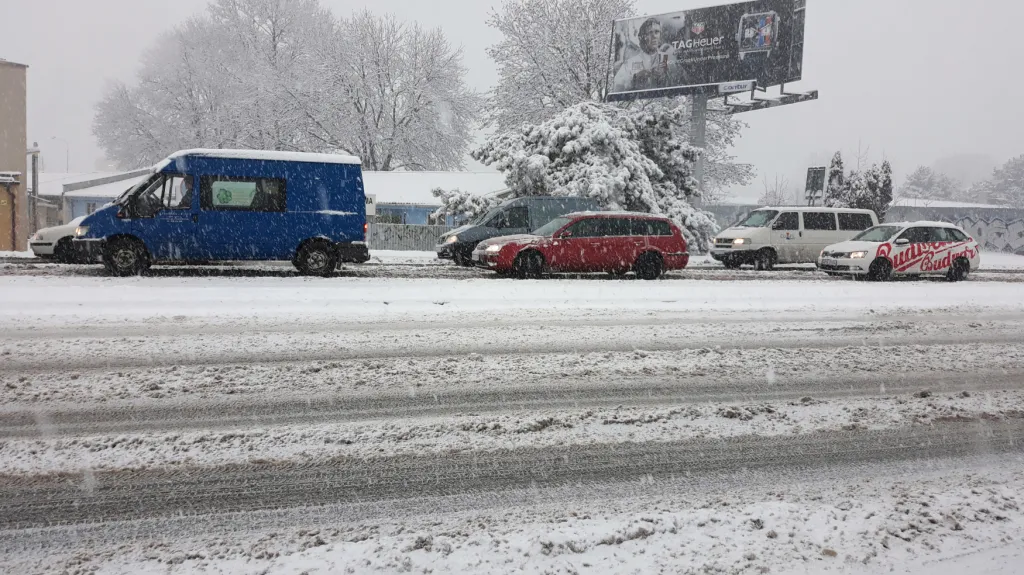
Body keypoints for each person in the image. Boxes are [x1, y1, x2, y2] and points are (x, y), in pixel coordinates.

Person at [612, 18, 671, 92]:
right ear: (642, 37)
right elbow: (617, 86)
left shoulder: (667, 57)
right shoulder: (631, 61)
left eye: (657, 32)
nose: (654, 36)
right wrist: (635, 78)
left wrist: (665, 77)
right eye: (650, 33)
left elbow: (678, 84)